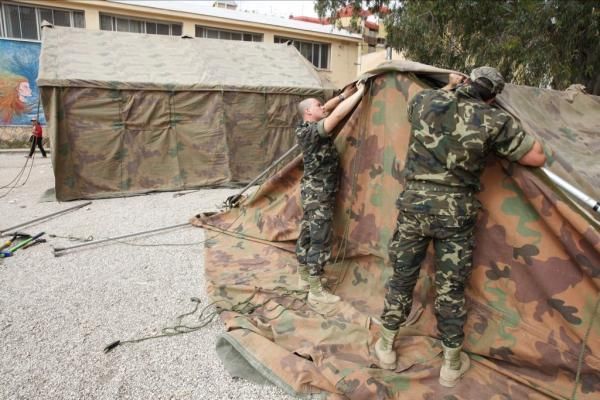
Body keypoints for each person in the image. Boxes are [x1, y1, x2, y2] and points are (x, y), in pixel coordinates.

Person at [374, 67, 546, 387]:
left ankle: (386, 346)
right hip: (456, 214)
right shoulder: (494, 119)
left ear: (465, 81)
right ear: (493, 95)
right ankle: (451, 364)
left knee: (402, 276)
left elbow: (418, 109)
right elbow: (536, 156)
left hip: (414, 207)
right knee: (450, 288)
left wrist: (451, 87)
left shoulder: (425, 100)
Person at [296, 81, 365, 310]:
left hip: (314, 192)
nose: (323, 106)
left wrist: (344, 95)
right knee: (320, 238)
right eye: (318, 105)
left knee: (307, 231)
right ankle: (315, 291)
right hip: (319, 194)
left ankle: (304, 274)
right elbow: (333, 118)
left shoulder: (307, 127)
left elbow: (328, 108)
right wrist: (362, 93)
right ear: (308, 112)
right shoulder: (310, 132)